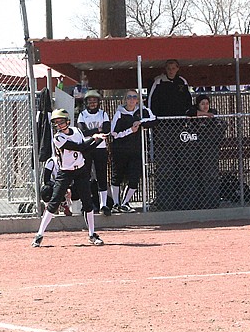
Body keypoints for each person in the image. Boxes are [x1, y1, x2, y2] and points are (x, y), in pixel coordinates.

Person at [31, 109, 107, 247]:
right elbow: (79, 147)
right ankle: (39, 234)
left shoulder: (77, 131)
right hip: (65, 172)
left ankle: (92, 234)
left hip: (81, 170)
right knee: (54, 202)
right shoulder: (58, 138)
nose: (59, 125)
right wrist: (94, 137)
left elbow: (85, 150)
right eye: (56, 123)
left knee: (87, 202)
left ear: (68, 121)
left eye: (61, 122)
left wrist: (98, 141)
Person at [109, 90, 157, 213]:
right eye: (129, 97)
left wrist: (141, 122)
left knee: (134, 177)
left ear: (138, 99)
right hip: (120, 150)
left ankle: (125, 203)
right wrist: (130, 130)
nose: (131, 99)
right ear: (125, 99)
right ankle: (116, 204)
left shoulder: (142, 111)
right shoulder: (119, 113)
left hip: (136, 151)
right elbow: (114, 133)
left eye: (134, 97)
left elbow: (153, 120)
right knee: (117, 176)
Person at [76, 89, 112, 216]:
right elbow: (82, 132)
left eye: (94, 101)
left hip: (100, 148)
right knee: (85, 176)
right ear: (86, 103)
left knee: (102, 175)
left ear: (98, 102)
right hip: (87, 148)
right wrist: (97, 130)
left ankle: (103, 204)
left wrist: (94, 132)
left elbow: (107, 130)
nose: (92, 103)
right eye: (90, 101)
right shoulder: (82, 115)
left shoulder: (103, 114)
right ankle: (86, 204)